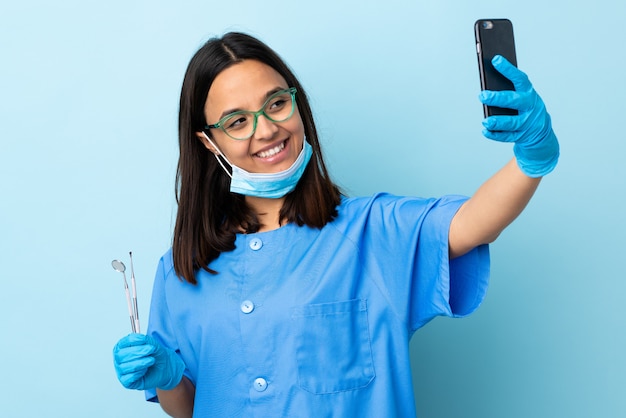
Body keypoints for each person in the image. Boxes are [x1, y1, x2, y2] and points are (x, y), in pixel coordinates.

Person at [112, 32, 559, 417]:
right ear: (209, 142)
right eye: (239, 121)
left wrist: (531, 158)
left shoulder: (374, 232)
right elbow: (188, 407)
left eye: (276, 103)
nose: (266, 130)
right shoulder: (182, 269)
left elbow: (473, 222)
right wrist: (168, 376)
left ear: (297, 104)